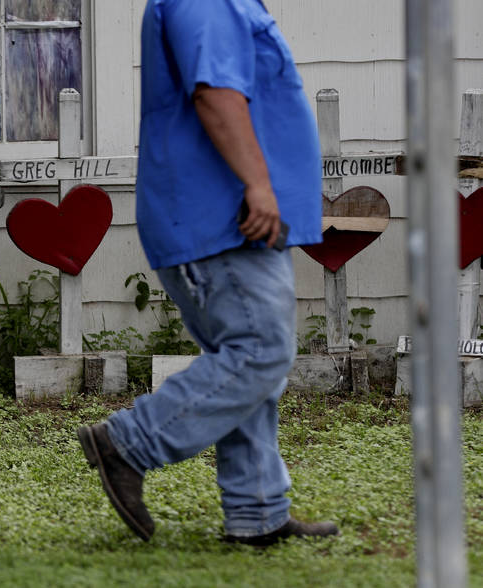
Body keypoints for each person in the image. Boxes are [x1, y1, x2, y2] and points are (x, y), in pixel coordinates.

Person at [77, 0, 339, 547]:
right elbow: (214, 93)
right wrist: (259, 184)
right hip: (222, 211)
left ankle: (257, 511)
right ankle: (129, 443)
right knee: (260, 350)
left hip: (225, 212)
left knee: (246, 363)